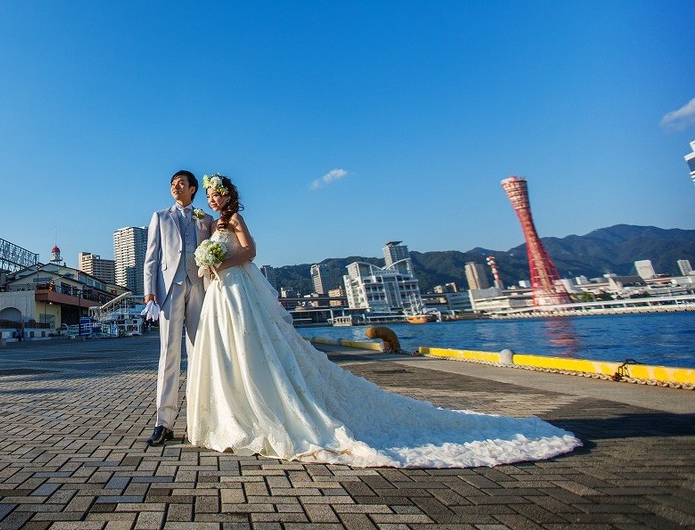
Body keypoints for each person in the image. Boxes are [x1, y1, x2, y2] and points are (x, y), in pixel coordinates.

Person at [185, 174, 582, 467]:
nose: (215, 199)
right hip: (222, 291)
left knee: (251, 341)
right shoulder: (210, 224)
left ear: (229, 195)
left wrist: (224, 258)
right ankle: (232, 408)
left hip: (239, 285)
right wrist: (209, 264)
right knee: (227, 345)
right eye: (212, 194)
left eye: (219, 193)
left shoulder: (235, 220)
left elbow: (251, 252)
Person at [143, 170, 215, 447]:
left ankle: (201, 420)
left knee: (200, 352)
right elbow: (151, 257)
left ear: (193, 189)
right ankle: (164, 422)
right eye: (172, 184)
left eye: (181, 183)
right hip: (169, 288)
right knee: (169, 353)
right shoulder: (160, 217)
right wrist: (150, 291)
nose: (175, 187)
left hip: (198, 287)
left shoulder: (204, 219)